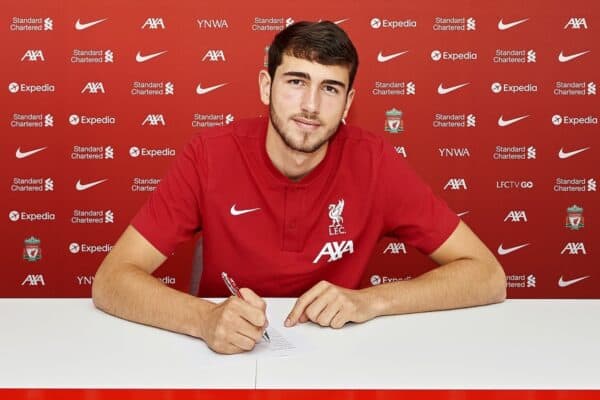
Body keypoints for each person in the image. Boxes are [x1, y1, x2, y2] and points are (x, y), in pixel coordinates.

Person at [92, 21, 506, 354]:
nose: (311, 104)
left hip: (339, 357)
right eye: (295, 81)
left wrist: (372, 301)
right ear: (266, 86)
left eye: (330, 88)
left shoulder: (375, 161)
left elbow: (488, 276)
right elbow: (111, 280)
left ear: (346, 105)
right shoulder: (208, 155)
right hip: (225, 356)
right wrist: (203, 319)